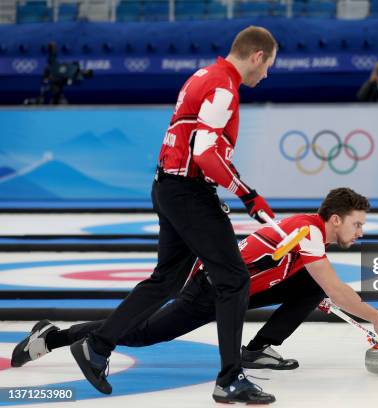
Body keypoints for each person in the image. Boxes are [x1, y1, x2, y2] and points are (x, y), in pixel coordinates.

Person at [66, 26, 278, 404]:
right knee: (233, 280)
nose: (266, 76)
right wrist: (248, 195)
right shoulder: (223, 88)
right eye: (268, 67)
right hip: (189, 192)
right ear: (256, 56)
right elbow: (206, 154)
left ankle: (96, 346)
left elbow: (194, 144)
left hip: (168, 186)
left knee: (165, 280)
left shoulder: (203, 75)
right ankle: (230, 379)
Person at [12, 188, 378, 391]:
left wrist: (324, 294)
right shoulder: (309, 231)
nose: (361, 232)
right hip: (210, 289)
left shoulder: (311, 232)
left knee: (313, 287)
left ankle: (258, 350)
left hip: (240, 287)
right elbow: (336, 285)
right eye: (358, 224)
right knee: (144, 334)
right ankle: (53, 336)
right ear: (335, 219)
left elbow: (320, 284)